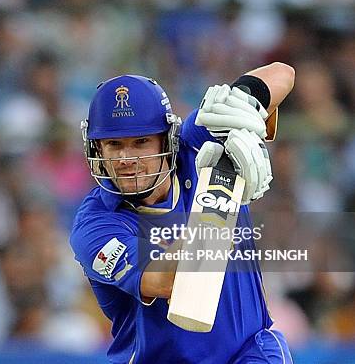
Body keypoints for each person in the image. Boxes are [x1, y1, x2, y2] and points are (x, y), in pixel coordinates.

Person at [70, 62, 295, 364]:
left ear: (166, 139)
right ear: (97, 149)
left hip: (249, 351)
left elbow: (282, 74)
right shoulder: (95, 225)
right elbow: (170, 281)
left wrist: (242, 103)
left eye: (141, 142)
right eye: (114, 145)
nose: (127, 159)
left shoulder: (194, 144)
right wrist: (221, 196)